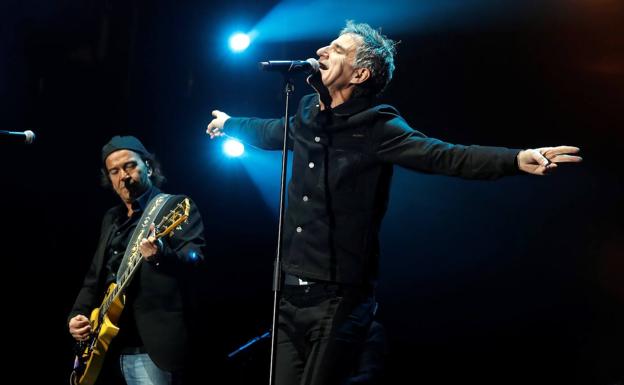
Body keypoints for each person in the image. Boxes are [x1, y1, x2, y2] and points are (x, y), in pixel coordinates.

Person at [205, 20, 582, 385]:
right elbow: (271, 131)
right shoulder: (305, 111)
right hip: (287, 293)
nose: (321, 50)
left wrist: (515, 159)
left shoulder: (377, 126)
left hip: (339, 297)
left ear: (360, 75)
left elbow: (445, 155)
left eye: (337, 49)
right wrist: (230, 123)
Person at [68, 135, 206, 385]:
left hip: (150, 348)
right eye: (115, 171)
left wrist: (160, 256)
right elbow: (93, 277)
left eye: (130, 165)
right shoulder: (111, 218)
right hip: (107, 348)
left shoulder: (173, 206)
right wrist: (77, 316)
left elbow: (195, 261)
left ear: (149, 167)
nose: (124, 176)